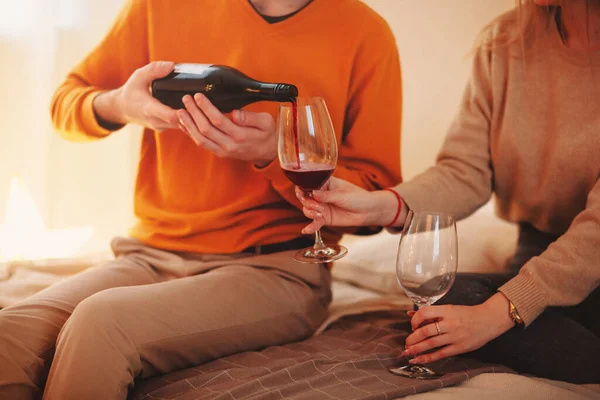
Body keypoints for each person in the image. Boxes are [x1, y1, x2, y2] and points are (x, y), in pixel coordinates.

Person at [0, 0, 402, 398]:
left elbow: (373, 204)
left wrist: (273, 155)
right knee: (9, 335)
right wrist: (120, 104)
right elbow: (64, 105)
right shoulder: (158, 7)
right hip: (150, 256)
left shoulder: (363, 31)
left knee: (101, 323)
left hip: (275, 269)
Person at [296, 0, 600, 384]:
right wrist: (379, 206)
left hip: (590, 263)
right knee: (443, 296)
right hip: (533, 254)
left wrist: (497, 314)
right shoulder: (506, 42)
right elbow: (467, 170)